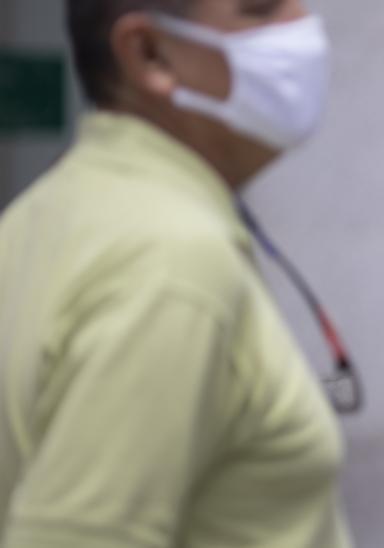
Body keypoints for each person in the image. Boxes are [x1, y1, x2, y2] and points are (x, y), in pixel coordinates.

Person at [0, 0, 351, 546]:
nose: (302, 27)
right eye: (259, 11)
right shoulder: (171, 261)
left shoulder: (36, 219)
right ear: (147, 53)